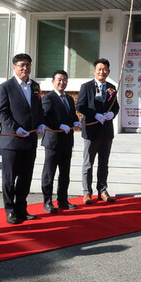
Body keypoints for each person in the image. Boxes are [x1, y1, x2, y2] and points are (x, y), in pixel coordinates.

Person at [0, 53, 45, 223]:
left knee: (25, 177)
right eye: (21, 65)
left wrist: (40, 124)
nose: (25, 68)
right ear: (14, 67)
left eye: (28, 65)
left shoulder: (35, 86)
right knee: (9, 179)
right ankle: (10, 210)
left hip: (30, 140)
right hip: (12, 140)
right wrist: (16, 128)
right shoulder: (5, 87)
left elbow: (39, 110)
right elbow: (1, 112)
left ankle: (21, 208)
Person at [77, 58, 117, 204]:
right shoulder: (86, 86)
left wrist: (111, 114)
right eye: (99, 69)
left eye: (105, 69)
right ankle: (87, 191)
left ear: (109, 71)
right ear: (94, 71)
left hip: (106, 132)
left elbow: (115, 106)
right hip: (91, 132)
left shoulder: (112, 87)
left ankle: (102, 190)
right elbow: (80, 106)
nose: (102, 71)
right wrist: (95, 114)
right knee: (88, 163)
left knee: (104, 163)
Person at [41, 70, 82, 212]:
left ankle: (62, 200)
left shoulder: (70, 99)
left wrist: (76, 122)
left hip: (67, 141)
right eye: (59, 79)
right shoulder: (48, 98)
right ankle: (47, 202)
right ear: (53, 81)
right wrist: (58, 125)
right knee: (49, 174)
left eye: (64, 80)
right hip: (53, 142)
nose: (62, 82)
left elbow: (72, 116)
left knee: (64, 174)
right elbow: (45, 117)